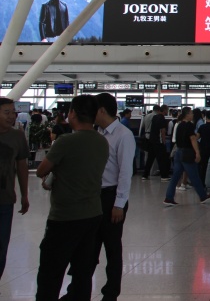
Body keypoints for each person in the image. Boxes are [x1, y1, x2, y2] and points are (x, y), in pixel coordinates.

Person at [35, 95, 109, 301]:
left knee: (51, 272)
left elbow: (41, 170)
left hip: (65, 216)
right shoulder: (102, 141)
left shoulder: (65, 141)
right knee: (82, 272)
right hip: (92, 213)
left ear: (73, 113)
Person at [62, 93, 135, 301]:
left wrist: (119, 203)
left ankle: (110, 294)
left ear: (101, 110)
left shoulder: (123, 135)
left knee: (112, 249)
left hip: (111, 198)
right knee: (87, 249)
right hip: (92, 198)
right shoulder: (96, 133)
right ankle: (76, 292)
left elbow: (125, 172)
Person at [0, 97, 29, 282]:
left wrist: (25, 194)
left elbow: (22, 166)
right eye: (6, 112)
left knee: (2, 246)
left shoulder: (17, 136)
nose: (11, 116)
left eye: (13, 112)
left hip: (5, 200)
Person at [163, 107, 210, 206]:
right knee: (194, 175)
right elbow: (192, 139)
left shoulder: (179, 124)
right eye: (191, 113)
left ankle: (169, 197)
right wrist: (197, 152)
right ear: (187, 115)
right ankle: (203, 196)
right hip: (187, 153)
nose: (192, 115)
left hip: (178, 152)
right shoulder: (189, 125)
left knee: (175, 177)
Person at [142, 104, 170, 181]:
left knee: (150, 159)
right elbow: (162, 131)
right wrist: (164, 141)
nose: (167, 112)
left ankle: (145, 175)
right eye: (167, 110)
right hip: (158, 141)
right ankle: (164, 176)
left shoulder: (154, 117)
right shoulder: (162, 118)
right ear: (164, 110)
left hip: (151, 140)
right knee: (161, 159)